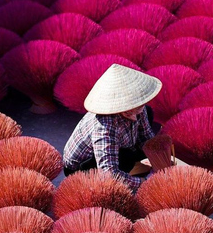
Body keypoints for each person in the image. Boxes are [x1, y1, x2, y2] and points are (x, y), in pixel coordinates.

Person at [63, 64, 162, 192]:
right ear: (122, 106)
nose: (140, 108)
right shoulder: (104, 126)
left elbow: (146, 137)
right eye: (135, 105)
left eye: (139, 103)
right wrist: (145, 183)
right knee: (126, 158)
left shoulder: (138, 107)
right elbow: (108, 174)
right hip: (84, 168)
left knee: (148, 112)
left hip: (120, 147)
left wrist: (157, 159)